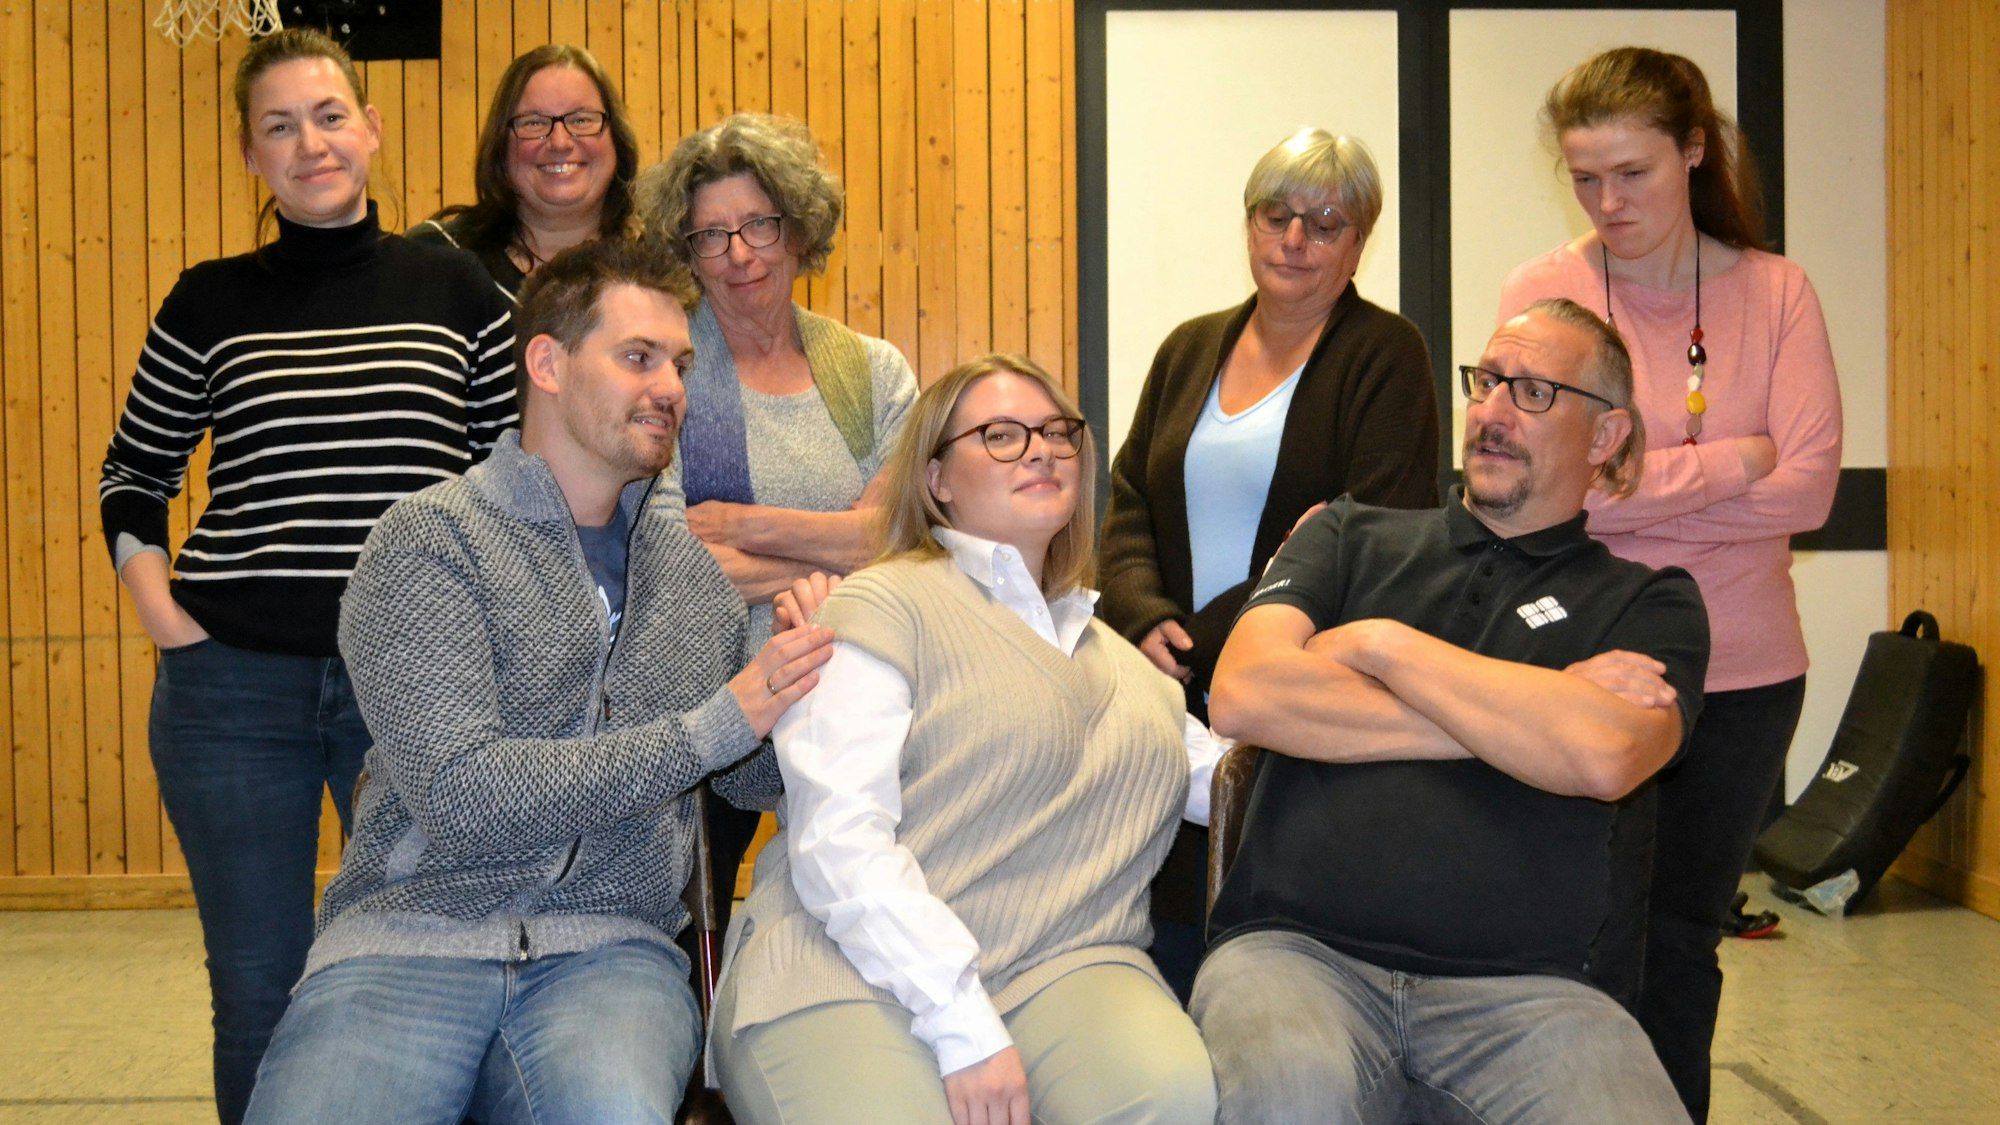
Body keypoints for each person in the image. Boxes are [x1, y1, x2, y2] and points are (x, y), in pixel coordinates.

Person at [241, 239, 835, 1123]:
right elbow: (462, 793)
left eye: (679, 363)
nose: (671, 386)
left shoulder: (695, 585)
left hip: (609, 956)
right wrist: (721, 717)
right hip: (408, 940)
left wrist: (803, 691)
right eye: (637, 357)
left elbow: (745, 775)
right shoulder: (429, 541)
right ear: (547, 363)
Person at [95, 28, 516, 1125]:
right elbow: (133, 476)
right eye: (278, 125)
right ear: (250, 154)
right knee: (257, 994)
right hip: (230, 690)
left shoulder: (455, 286)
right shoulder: (206, 301)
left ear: (371, 130)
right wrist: (165, 615)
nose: (310, 142)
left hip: (414, 693)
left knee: (429, 971)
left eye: (329, 115)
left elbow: (520, 468)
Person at [1195, 300, 1708, 1125]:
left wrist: (1380, 645)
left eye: (1534, 392)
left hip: (1535, 999)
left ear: (1608, 435)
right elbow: (1246, 692)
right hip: (1297, 960)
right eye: (1488, 382)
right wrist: (1527, 717)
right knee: (1285, 1099)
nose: (1494, 412)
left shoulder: (1650, 605)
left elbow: (1607, 754)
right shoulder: (1346, 536)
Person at [709, 355, 1221, 1125]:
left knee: (1169, 1097)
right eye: (1002, 435)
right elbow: (839, 844)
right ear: (936, 478)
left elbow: (1238, 785)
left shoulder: (1124, 664)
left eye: (1058, 432)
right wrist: (962, 1023)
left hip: (1058, 966)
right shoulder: (879, 606)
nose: (1043, 450)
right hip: (846, 968)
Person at [1498, 47, 1842, 1121]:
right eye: (1583, 178)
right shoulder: (1540, 296)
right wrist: (1730, 459)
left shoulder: (1776, 293)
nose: (1607, 203)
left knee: (1681, 942)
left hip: (1740, 673)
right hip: (1579, 659)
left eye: (1630, 174)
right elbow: (1546, 493)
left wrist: (1634, 475)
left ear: (1692, 152)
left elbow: (1808, 490)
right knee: (1572, 937)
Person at [1099, 126, 1440, 999]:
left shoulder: (1386, 356)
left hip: (1294, 694)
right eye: (1275, 215)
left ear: (1360, 240)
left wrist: (1209, 640)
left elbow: (1372, 538)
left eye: (1324, 222)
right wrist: (1140, 611)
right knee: (1169, 928)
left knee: (1268, 940)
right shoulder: (1187, 347)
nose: (1294, 239)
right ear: (1249, 225)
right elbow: (1130, 494)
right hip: (1166, 682)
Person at [633, 111, 918, 925]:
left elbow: (906, 541)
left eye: (758, 225)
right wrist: (846, 550)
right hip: (706, 704)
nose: (740, 255)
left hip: (862, 703)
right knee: (693, 945)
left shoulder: (872, 371)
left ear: (798, 229)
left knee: (859, 924)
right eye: (711, 236)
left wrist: (737, 523)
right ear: (685, 252)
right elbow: (669, 561)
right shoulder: (665, 370)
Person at [410, 43, 641, 297]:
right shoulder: (431, 258)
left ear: (616, 138)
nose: (560, 143)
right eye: (534, 123)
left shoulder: (666, 265)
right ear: (502, 146)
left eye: (581, 120)